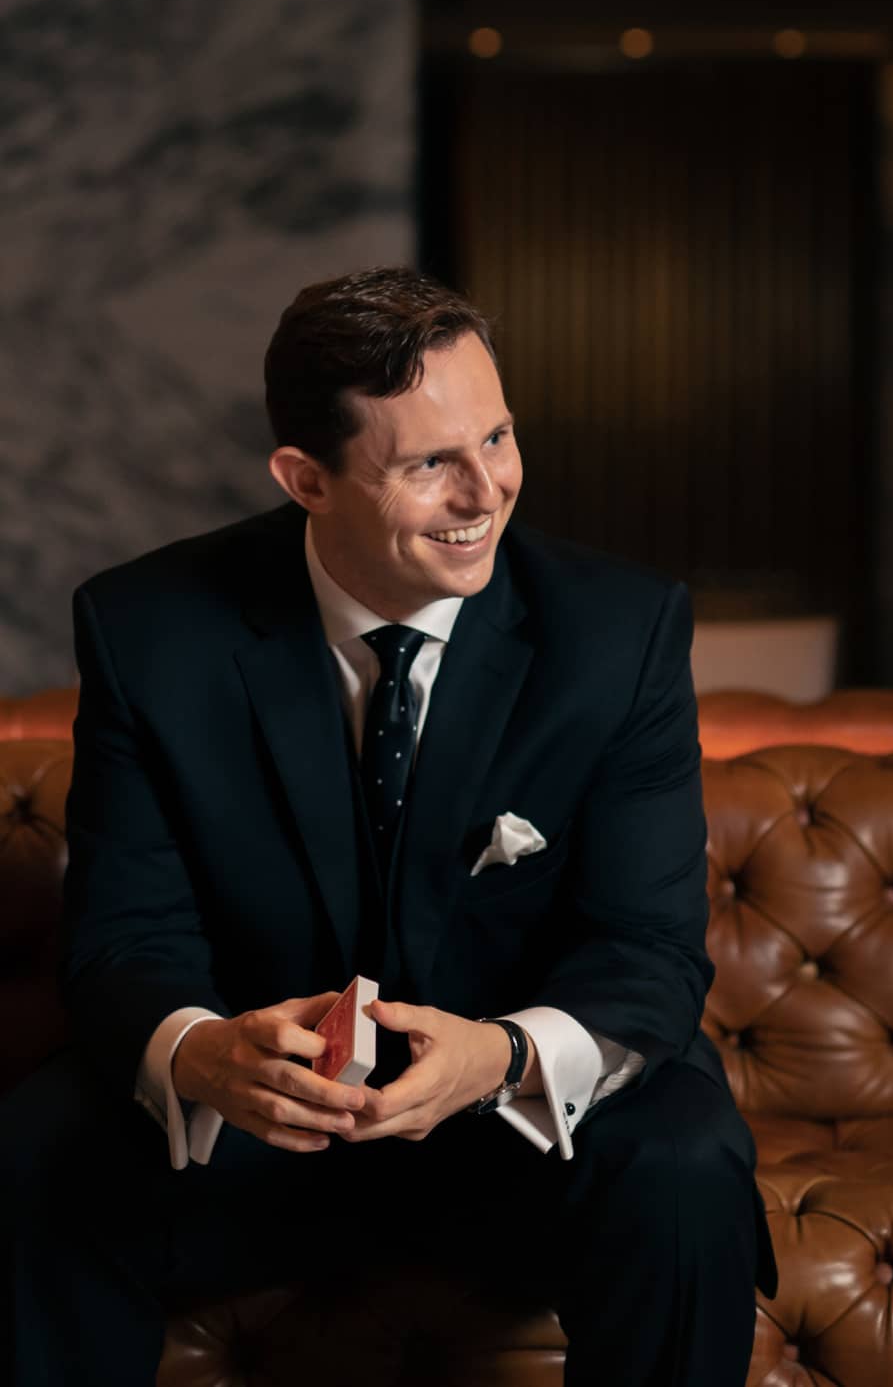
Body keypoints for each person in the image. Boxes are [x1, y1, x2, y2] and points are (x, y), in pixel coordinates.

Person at [1, 267, 774, 1386]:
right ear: (305, 479)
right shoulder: (146, 629)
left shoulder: (621, 630)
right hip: (253, 1140)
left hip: (519, 1133)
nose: (488, 492)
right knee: (36, 1155)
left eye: (498, 438)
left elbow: (648, 952)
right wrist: (203, 1050)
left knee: (685, 1160)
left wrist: (501, 1056)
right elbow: (123, 939)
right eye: (430, 465)